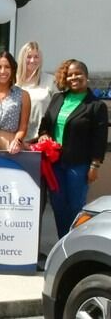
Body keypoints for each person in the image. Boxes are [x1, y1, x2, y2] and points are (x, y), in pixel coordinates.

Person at [38, 59, 108, 238]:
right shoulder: (58, 98)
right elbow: (45, 124)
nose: (74, 77)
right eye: (70, 75)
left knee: (75, 207)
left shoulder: (96, 105)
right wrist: (44, 134)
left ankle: (75, 243)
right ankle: (62, 242)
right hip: (55, 164)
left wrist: (95, 165)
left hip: (79, 165)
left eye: (78, 74)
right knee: (58, 206)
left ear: (86, 76)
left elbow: (100, 139)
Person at [17, 41, 56, 142]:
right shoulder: (13, 81)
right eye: (29, 56)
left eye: (36, 57)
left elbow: (57, 108)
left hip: (42, 138)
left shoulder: (51, 80)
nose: (32, 60)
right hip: (17, 139)